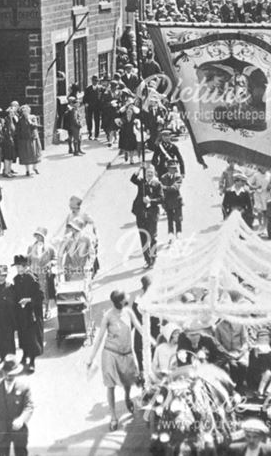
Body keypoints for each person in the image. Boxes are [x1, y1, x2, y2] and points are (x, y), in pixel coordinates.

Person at [87, 290, 143, 431]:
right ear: (119, 302)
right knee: (110, 385)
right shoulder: (108, 316)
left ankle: (127, 397)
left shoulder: (129, 312)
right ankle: (113, 417)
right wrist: (91, 358)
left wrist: (153, 341)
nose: (128, 299)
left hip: (127, 354)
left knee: (128, 381)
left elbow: (140, 328)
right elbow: (99, 338)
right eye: (125, 298)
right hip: (111, 354)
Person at [0, 356, 34, 456]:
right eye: (5, 373)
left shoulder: (24, 387)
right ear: (2, 372)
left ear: (17, 373)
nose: (8, 376)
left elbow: (29, 406)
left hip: (18, 430)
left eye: (11, 374)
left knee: (21, 453)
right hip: (1, 429)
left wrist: (21, 419)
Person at [12, 255, 44, 373]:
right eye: (17, 267)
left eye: (21, 266)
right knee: (23, 336)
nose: (19, 269)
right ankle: (25, 356)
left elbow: (40, 296)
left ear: (26, 266)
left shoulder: (32, 278)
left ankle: (32, 362)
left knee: (32, 338)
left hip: (32, 313)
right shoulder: (16, 279)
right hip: (21, 314)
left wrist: (28, 300)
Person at [130, 164, 163, 268]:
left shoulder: (157, 184)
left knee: (152, 237)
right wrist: (140, 168)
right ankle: (147, 260)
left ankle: (153, 258)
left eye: (151, 173)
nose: (149, 174)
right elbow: (133, 179)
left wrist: (151, 201)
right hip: (140, 213)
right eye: (148, 172)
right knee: (143, 237)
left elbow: (161, 198)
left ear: (154, 173)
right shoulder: (142, 182)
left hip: (152, 214)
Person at [26, 227, 56, 318]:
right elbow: (28, 261)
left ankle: (47, 309)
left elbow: (55, 259)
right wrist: (28, 269)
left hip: (44, 273)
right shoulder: (31, 248)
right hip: (34, 273)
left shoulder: (49, 248)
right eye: (37, 236)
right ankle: (36, 311)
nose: (38, 238)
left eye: (40, 236)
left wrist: (50, 263)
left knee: (45, 291)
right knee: (34, 292)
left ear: (44, 237)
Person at [159, 159, 184, 239]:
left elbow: (175, 187)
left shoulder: (178, 177)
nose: (174, 169)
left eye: (175, 168)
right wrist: (162, 202)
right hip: (167, 201)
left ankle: (179, 232)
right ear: (168, 168)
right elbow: (161, 191)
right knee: (169, 219)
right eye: (172, 168)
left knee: (178, 218)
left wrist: (165, 187)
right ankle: (170, 234)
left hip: (176, 199)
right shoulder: (163, 177)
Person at [15, 105, 43, 176]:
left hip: (33, 138)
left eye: (26, 111)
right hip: (25, 139)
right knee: (26, 155)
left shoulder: (33, 117)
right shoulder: (20, 119)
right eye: (23, 111)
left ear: (29, 111)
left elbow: (35, 126)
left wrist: (29, 121)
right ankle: (27, 170)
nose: (25, 112)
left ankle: (34, 167)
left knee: (35, 153)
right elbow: (18, 129)